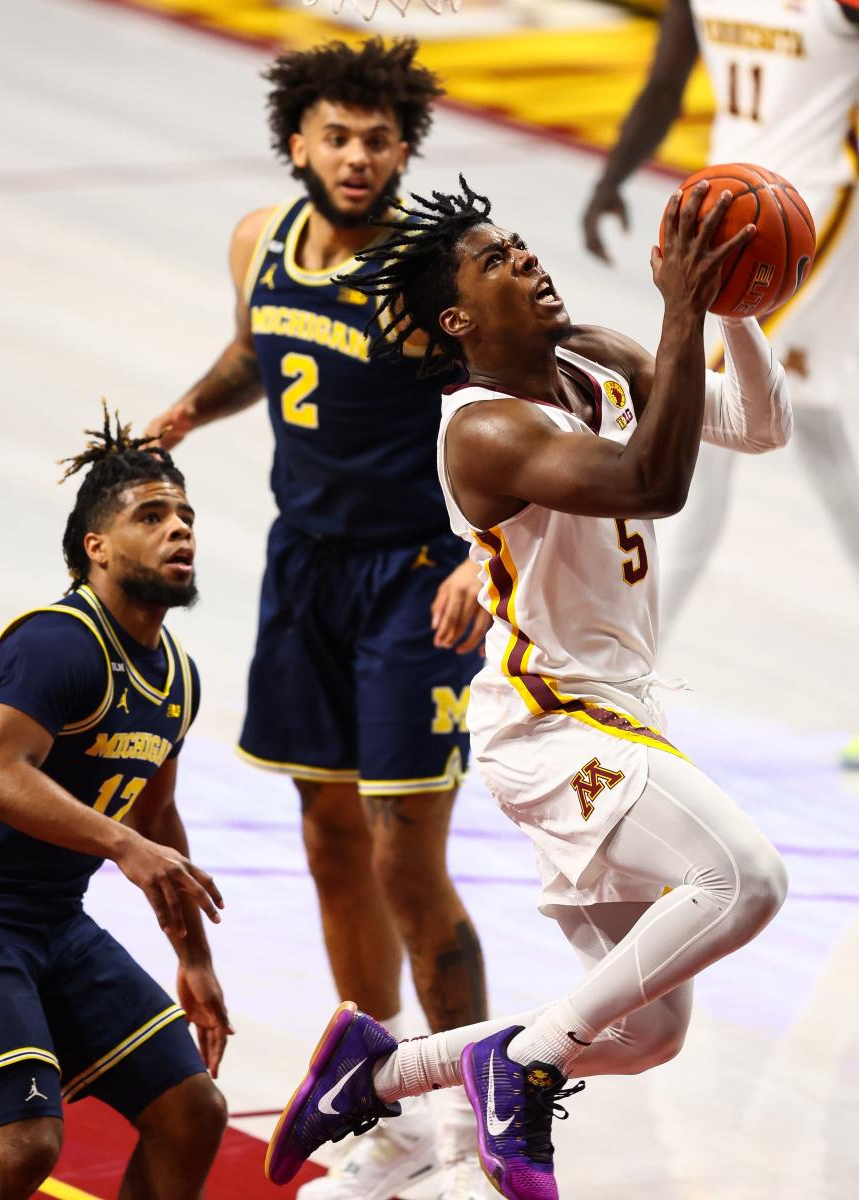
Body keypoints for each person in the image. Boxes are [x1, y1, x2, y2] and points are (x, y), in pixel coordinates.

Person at [263, 178, 791, 1200]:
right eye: (498, 262)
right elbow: (653, 482)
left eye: (521, 246)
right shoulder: (482, 431)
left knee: (645, 1036)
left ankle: (379, 1070)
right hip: (552, 728)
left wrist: (734, 309)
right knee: (747, 879)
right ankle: (524, 1063)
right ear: (459, 320)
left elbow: (754, 427)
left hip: (621, 711)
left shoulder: (592, 352)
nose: (529, 262)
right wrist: (684, 312)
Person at [144, 38, 490, 1200]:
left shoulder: (437, 264)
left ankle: (469, 1131)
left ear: (406, 150)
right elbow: (259, 350)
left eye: (377, 139)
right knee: (331, 836)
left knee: (407, 857)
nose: (355, 156)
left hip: (413, 575)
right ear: (298, 141)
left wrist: (488, 556)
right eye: (335, 136)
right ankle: (384, 1095)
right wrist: (189, 409)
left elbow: (516, 407)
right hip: (304, 571)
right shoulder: (258, 240)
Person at [0, 409, 230, 1200]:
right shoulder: (58, 640)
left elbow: (155, 821)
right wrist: (119, 843)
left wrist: (194, 958)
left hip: (52, 920)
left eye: (185, 515)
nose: (178, 530)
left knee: (192, 1109)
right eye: (151, 517)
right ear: (98, 547)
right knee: (21, 1145)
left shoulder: (177, 678)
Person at [581, 0, 859, 764]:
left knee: (698, 426)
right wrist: (612, 178)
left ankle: (622, 686)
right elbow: (667, 80)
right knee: (820, 420)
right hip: (722, 206)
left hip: (803, 216)